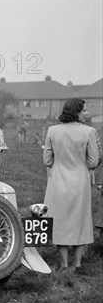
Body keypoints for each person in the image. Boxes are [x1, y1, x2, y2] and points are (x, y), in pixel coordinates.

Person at [43, 98, 101, 273]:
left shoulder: (52, 130)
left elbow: (47, 160)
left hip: (58, 182)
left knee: (59, 220)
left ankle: (63, 264)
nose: (87, 113)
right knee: (79, 220)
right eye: (84, 110)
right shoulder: (90, 132)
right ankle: (77, 264)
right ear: (76, 112)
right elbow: (92, 163)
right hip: (79, 182)